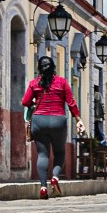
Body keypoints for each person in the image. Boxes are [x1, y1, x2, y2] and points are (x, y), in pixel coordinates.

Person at [21, 55, 84, 200]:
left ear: (39, 68)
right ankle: (55, 177)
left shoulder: (34, 83)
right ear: (53, 67)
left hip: (39, 121)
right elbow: (71, 103)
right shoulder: (62, 82)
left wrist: (34, 104)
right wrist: (79, 120)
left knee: (43, 155)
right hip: (58, 121)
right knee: (60, 153)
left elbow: (25, 101)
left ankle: (43, 187)